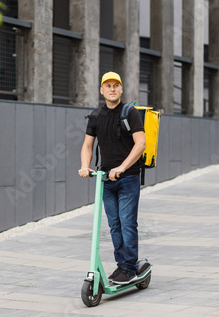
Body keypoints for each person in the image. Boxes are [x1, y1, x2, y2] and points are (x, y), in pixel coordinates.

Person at [78, 71, 146, 285]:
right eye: (108, 86)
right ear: (101, 90)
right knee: (114, 225)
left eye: (116, 85)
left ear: (121, 89)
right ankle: (122, 265)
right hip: (106, 179)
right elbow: (87, 145)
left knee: (127, 223)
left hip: (128, 178)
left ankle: (129, 267)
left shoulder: (130, 113)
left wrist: (123, 167)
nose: (112, 89)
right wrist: (84, 166)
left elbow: (141, 143)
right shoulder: (96, 116)